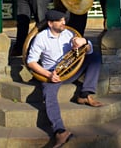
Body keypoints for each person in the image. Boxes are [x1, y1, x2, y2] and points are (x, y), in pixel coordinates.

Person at [27, 9, 102, 148]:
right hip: (53, 73)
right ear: (50, 23)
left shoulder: (68, 33)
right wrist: (48, 75)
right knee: (48, 94)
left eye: (64, 20)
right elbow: (31, 62)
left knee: (95, 57)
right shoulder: (41, 38)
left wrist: (84, 41)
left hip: (72, 68)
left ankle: (85, 94)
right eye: (60, 21)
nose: (64, 23)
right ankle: (60, 131)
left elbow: (89, 50)